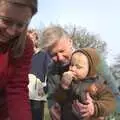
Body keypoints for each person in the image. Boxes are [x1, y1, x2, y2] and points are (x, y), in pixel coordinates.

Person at [40, 25, 119, 120]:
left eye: (62, 51)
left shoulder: (92, 58)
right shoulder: (52, 69)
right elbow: (52, 96)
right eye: (53, 55)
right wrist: (51, 106)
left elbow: (114, 95)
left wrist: (99, 111)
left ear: (70, 42)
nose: (60, 58)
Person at [54, 48, 116, 120]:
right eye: (71, 64)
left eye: (78, 67)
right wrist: (63, 86)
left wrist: (95, 108)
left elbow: (110, 103)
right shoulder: (69, 81)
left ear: (90, 69)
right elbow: (59, 99)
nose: (72, 69)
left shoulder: (98, 84)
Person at [0, 0, 37, 120]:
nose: (11, 31)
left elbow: (17, 89)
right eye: (6, 21)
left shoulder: (25, 45)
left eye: (20, 25)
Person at [27, 29, 50, 120]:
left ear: (36, 40)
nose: (29, 40)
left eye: (31, 38)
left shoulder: (43, 55)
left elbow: (50, 72)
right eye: (26, 38)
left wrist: (45, 89)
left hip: (37, 94)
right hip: (23, 93)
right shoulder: (21, 55)